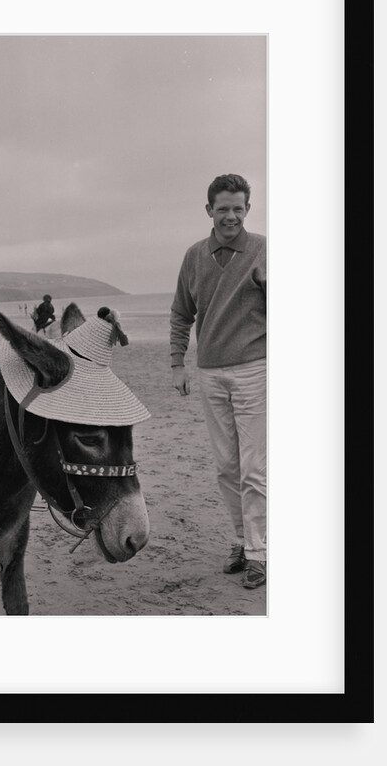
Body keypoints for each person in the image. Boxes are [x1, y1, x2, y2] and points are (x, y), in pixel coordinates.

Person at [169, 173, 267, 590]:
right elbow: (180, 314)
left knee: (255, 467)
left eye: (238, 208)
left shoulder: (264, 250)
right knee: (227, 467)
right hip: (210, 372)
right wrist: (177, 364)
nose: (231, 216)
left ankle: (260, 554)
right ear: (209, 210)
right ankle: (240, 542)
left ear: (248, 209)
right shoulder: (194, 256)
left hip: (255, 369)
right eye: (223, 208)